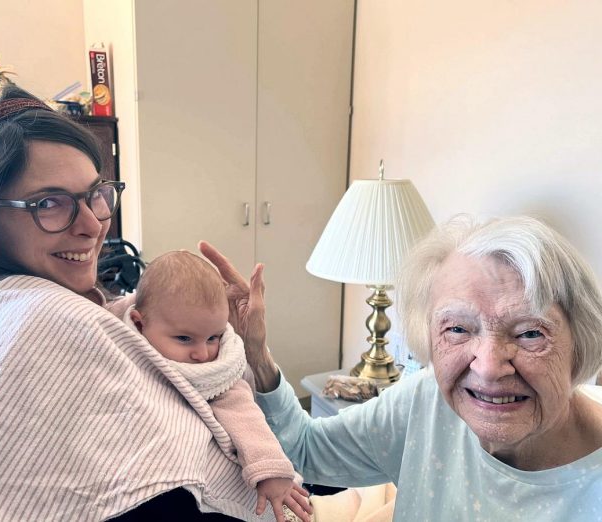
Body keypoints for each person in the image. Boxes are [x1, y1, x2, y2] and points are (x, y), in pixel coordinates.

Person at [0, 84, 309, 521]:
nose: (93, 223)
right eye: (50, 203)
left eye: (96, 193)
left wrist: (249, 351)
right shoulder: (45, 321)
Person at [200, 215, 602, 521]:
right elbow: (306, 450)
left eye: (530, 333)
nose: (489, 367)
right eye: (458, 328)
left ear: (580, 342)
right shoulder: (427, 401)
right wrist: (255, 351)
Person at [124, 249, 309, 521]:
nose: (203, 353)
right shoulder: (119, 337)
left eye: (213, 337)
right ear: (140, 323)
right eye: (184, 339)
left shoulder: (215, 371)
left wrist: (271, 470)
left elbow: (245, 416)